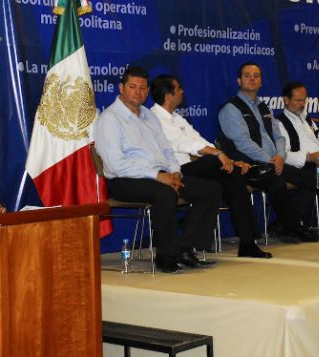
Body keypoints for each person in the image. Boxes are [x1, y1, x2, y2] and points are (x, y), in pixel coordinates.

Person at [95, 66, 223, 273]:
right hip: (125, 181)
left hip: (161, 175)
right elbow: (116, 164)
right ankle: (166, 256)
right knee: (164, 193)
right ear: (121, 88)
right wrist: (157, 176)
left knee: (211, 190)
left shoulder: (148, 115)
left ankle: (184, 248)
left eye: (142, 88)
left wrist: (175, 172)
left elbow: (166, 150)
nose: (138, 92)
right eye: (132, 87)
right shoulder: (109, 119)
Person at [150, 74, 272, 259]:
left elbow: (199, 139)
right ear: (168, 96)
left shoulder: (177, 118)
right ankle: (250, 172)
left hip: (195, 169)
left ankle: (247, 243)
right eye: (179, 89)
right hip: (174, 172)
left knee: (233, 182)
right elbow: (183, 143)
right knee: (215, 162)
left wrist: (227, 159)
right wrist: (219, 155)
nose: (183, 91)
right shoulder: (154, 118)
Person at [218, 62, 319, 243]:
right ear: (239, 80)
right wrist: (271, 161)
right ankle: (295, 228)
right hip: (249, 164)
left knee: (311, 180)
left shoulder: (264, 107)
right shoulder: (231, 109)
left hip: (275, 162)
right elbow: (243, 143)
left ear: (261, 82)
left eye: (256, 76)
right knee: (277, 183)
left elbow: (279, 136)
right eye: (247, 75)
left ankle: (283, 224)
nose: (252, 79)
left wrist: (280, 156)